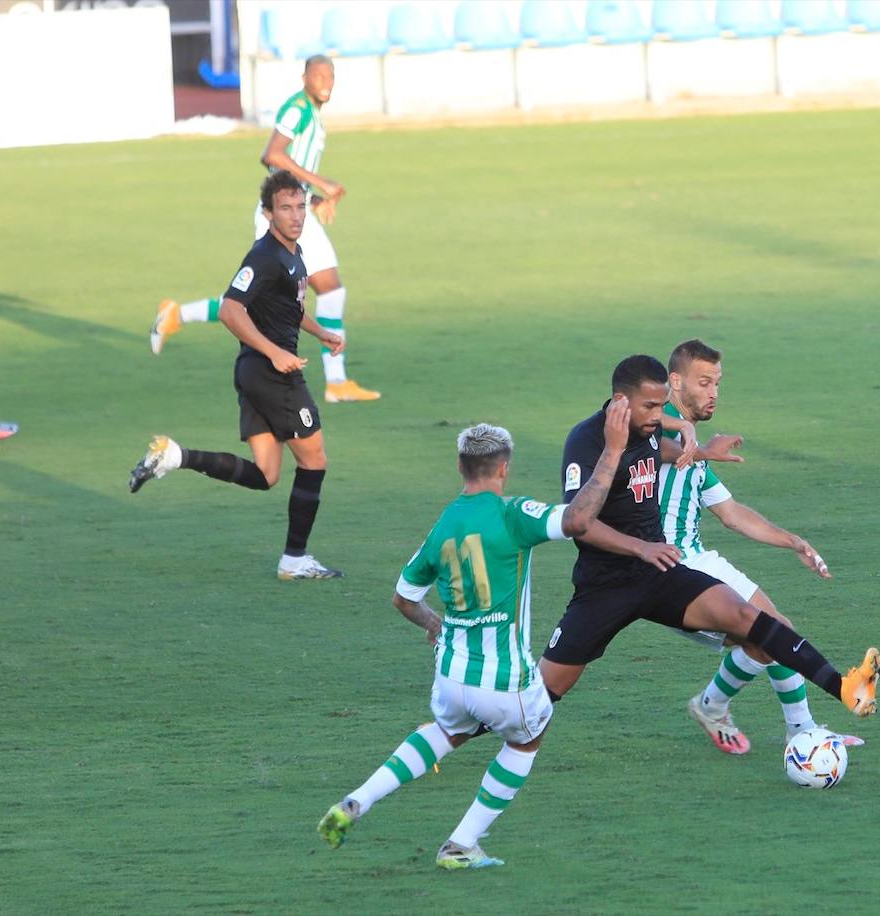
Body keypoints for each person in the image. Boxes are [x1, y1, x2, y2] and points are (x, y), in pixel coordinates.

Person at [318, 405, 630, 870]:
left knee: (447, 732)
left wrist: (434, 624)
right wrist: (613, 450)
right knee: (529, 737)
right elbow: (580, 519)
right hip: (505, 678)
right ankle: (462, 843)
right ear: (503, 468)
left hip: (450, 675)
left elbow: (404, 598)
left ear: (461, 468)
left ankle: (356, 801)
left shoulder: (443, 524)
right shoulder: (513, 514)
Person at [538, 354, 880, 720]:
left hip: (659, 573)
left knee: (751, 618)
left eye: (661, 406)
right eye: (651, 406)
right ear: (621, 402)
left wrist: (702, 452)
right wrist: (640, 544)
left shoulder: (649, 430)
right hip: (605, 586)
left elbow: (665, 453)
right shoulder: (586, 440)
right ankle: (471, 725)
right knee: (539, 700)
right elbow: (578, 522)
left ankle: (844, 688)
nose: (658, 416)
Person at [129, 172, 345, 581]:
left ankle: (175, 456)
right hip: (270, 374)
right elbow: (230, 309)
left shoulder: (293, 253)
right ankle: (295, 560)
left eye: (301, 206)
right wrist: (276, 352)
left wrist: (321, 334)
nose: (296, 215)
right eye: (286, 208)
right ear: (267, 213)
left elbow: (290, 307)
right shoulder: (264, 256)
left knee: (266, 475)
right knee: (314, 460)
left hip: (256, 372)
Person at [654, 339, 854, 755]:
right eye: (704, 382)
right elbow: (654, 449)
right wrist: (700, 450)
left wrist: (792, 541)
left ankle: (714, 706)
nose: (713, 393)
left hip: (696, 557)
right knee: (775, 632)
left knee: (767, 638)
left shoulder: (694, 449)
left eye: (718, 383)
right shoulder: (658, 427)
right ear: (675, 382)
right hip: (671, 567)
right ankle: (799, 732)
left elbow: (731, 513)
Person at [150, 55, 380, 404]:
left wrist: (313, 198)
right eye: (319, 75)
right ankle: (178, 313)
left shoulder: (312, 112)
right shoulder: (297, 109)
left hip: (297, 211)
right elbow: (272, 154)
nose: (326, 82)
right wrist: (320, 184)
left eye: (331, 76)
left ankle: (337, 382)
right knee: (262, 298)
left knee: (328, 290)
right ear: (305, 78)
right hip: (280, 216)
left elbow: (287, 171)